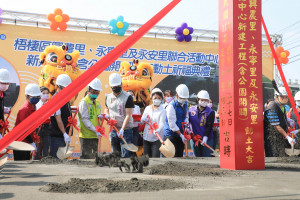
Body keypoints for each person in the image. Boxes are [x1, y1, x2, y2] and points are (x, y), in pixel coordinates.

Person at [104, 73, 134, 158]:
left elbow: (128, 115)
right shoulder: (108, 97)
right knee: (115, 154)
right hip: (113, 129)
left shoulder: (128, 97)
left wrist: (122, 129)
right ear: (111, 87)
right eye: (114, 87)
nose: (116, 88)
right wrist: (106, 114)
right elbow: (106, 108)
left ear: (121, 84)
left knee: (126, 154)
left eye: (118, 86)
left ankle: (126, 169)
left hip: (125, 130)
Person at [264, 87, 295, 157]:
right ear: (276, 97)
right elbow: (277, 126)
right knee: (273, 158)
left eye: (286, 97)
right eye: (282, 97)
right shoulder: (271, 108)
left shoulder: (281, 106)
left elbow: (281, 119)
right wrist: (287, 137)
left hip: (280, 137)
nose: (284, 99)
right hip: (271, 138)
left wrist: (287, 122)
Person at [14, 84, 42, 160]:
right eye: (34, 97)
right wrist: (31, 142)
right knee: (22, 165)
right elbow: (24, 129)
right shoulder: (25, 109)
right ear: (28, 96)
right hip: (21, 143)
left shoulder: (33, 106)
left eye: (38, 97)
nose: (37, 98)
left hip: (27, 141)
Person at [49, 74, 72, 158]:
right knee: (57, 160)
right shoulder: (56, 99)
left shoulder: (64, 97)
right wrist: (64, 133)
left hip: (63, 135)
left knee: (62, 160)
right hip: (57, 136)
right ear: (58, 86)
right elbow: (58, 119)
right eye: (64, 88)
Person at [78, 78, 102, 159]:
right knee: (86, 159)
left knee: (94, 159)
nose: (95, 94)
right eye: (93, 91)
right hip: (86, 137)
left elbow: (97, 117)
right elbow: (85, 119)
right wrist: (95, 129)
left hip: (95, 136)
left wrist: (103, 117)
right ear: (88, 90)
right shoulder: (84, 102)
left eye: (97, 92)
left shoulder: (97, 103)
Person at [164, 84, 189, 157]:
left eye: (185, 98)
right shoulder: (171, 106)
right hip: (170, 135)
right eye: (181, 97)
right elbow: (172, 124)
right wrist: (181, 135)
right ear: (176, 95)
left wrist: (186, 121)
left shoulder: (185, 104)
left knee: (179, 156)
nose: (183, 99)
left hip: (180, 134)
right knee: (170, 158)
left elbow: (186, 115)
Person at [141, 88, 166, 158]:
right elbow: (142, 121)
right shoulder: (147, 108)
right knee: (146, 158)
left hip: (156, 139)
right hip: (146, 137)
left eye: (159, 98)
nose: (157, 99)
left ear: (161, 99)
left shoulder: (163, 110)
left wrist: (158, 130)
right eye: (155, 98)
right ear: (152, 98)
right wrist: (143, 119)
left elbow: (162, 123)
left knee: (155, 158)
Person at [189, 91, 215, 157]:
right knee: (197, 158)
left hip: (207, 139)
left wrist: (205, 137)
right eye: (202, 100)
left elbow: (209, 126)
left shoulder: (210, 112)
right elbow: (187, 123)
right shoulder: (191, 110)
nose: (203, 102)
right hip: (195, 139)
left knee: (207, 158)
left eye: (206, 100)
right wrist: (190, 133)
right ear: (198, 100)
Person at [34, 87, 51, 159]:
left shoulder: (51, 103)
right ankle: (36, 160)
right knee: (38, 146)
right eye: (43, 93)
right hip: (38, 127)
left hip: (47, 127)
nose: (45, 95)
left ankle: (45, 161)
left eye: (47, 93)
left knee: (46, 146)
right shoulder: (36, 104)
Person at [0, 69, 11, 138]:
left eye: (7, 83)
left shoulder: (2, 94)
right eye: (3, 83)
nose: (5, 85)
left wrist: (2, 110)